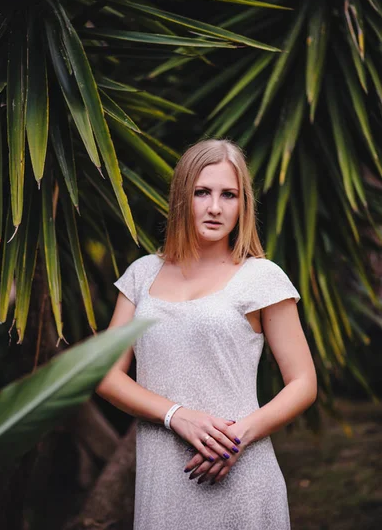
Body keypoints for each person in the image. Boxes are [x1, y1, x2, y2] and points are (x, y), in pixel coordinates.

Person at [97, 139, 317, 530]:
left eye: (228, 195)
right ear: (183, 197)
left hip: (242, 476)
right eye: (202, 192)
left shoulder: (262, 278)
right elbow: (106, 376)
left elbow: (303, 383)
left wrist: (236, 438)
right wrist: (176, 416)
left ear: (243, 204)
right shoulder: (142, 274)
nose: (215, 207)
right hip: (163, 484)